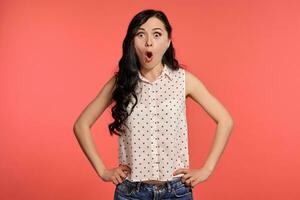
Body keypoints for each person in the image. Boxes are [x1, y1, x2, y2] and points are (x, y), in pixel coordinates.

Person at [73, 9, 234, 200]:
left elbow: (225, 120)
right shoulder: (121, 83)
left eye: (157, 35)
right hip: (132, 192)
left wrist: (207, 169)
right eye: (141, 35)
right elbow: (81, 125)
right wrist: (103, 171)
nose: (149, 41)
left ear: (167, 42)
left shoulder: (183, 80)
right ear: (132, 42)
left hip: (176, 192)